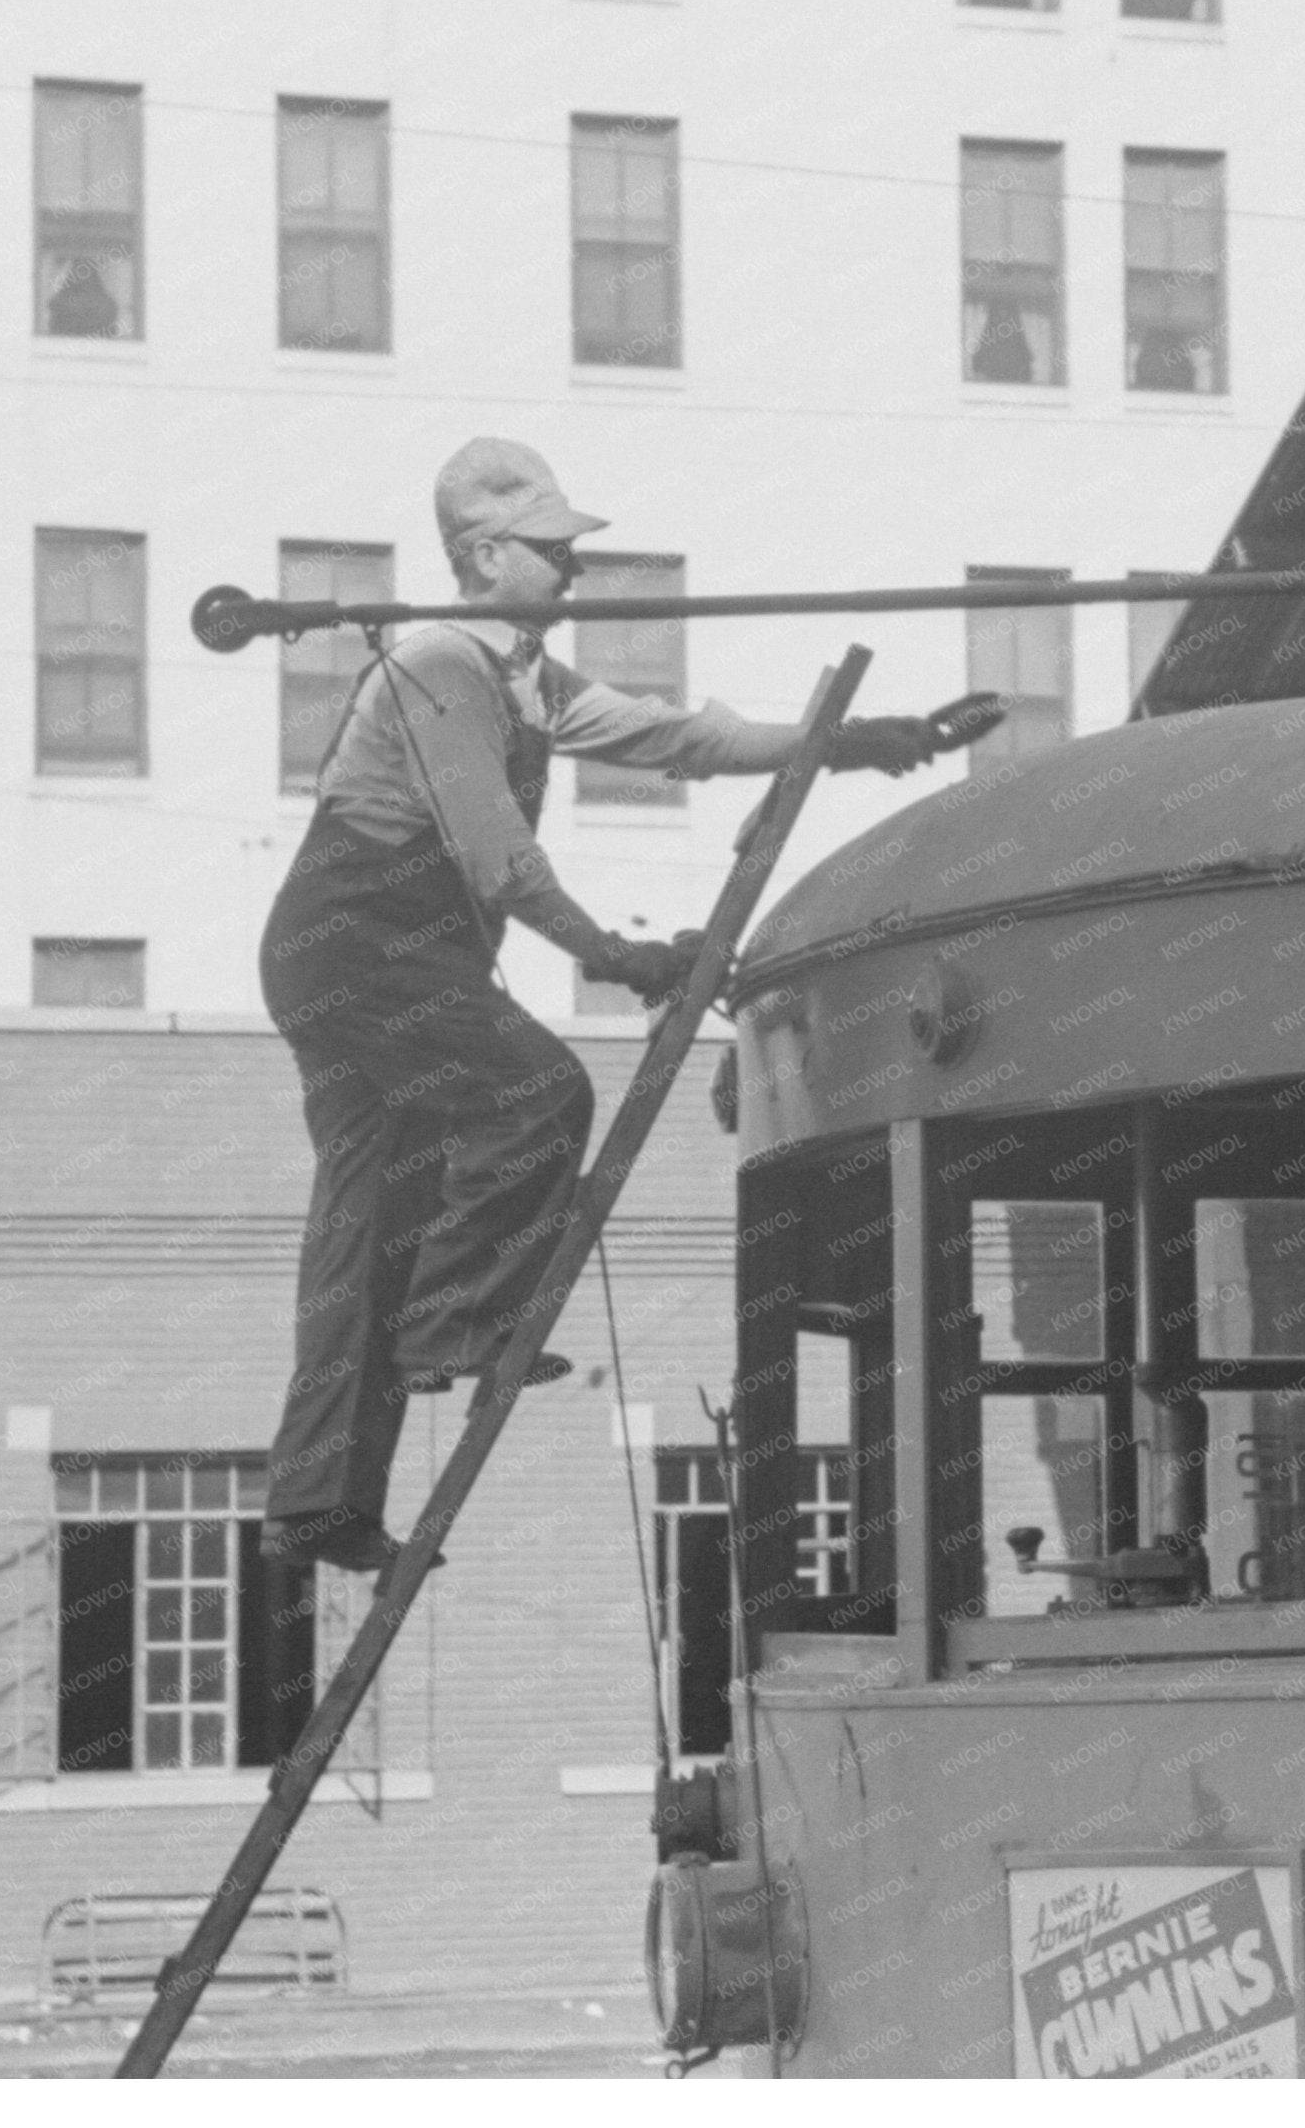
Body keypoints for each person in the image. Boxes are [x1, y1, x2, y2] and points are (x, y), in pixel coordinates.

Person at [261, 438, 982, 1573]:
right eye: (553, 552)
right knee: (536, 1091)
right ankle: (450, 1324)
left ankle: (320, 1499)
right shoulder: (442, 663)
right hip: (359, 949)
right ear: (486, 552)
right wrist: (615, 955)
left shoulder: (524, 677)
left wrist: (852, 741)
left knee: (372, 1216)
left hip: (378, 956)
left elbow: (677, 739)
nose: (573, 573)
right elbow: (496, 856)